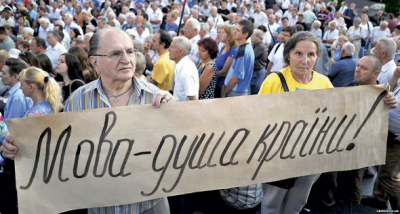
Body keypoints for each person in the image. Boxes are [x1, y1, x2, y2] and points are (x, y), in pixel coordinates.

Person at [1, 27, 173, 214]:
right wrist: (19, 147)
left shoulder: (158, 98)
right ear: (95, 62)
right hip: (99, 207)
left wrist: (176, 114)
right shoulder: (78, 100)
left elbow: (180, 150)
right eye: (116, 53)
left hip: (148, 206)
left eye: (130, 51)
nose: (126, 59)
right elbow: (61, 150)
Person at [259, 31, 333, 214]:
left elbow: (338, 115)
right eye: (298, 53)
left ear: (317, 57)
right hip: (277, 155)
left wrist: (383, 100)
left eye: (311, 54)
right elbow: (257, 116)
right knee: (271, 204)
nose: (305, 60)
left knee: (297, 203)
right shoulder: (274, 80)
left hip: (311, 157)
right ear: (289, 55)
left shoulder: (324, 83)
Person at [0, 58, 32, 214]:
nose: (1, 75)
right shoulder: (14, 94)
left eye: (3, 72)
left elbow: (12, 131)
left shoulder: (18, 97)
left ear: (15, 77)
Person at [222, 19, 254, 97]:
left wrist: (224, 92)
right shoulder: (247, 47)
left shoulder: (242, 52)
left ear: (245, 34)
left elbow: (235, 79)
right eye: (235, 29)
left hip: (235, 92)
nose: (234, 32)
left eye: (237, 30)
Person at [169, 36, 199, 101]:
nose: (169, 49)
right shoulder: (180, 66)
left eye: (172, 47)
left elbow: (194, 100)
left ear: (180, 52)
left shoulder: (186, 71)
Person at [214, 25, 238, 98]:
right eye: (219, 32)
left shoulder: (233, 50)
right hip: (215, 83)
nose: (219, 34)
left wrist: (209, 76)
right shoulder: (223, 47)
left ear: (229, 35)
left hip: (221, 85)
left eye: (222, 33)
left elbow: (224, 71)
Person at [250, 29, 268, 95]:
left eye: (253, 36)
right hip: (255, 71)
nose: (251, 37)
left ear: (259, 37)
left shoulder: (260, 46)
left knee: (255, 90)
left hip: (258, 71)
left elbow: (252, 56)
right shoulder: (254, 45)